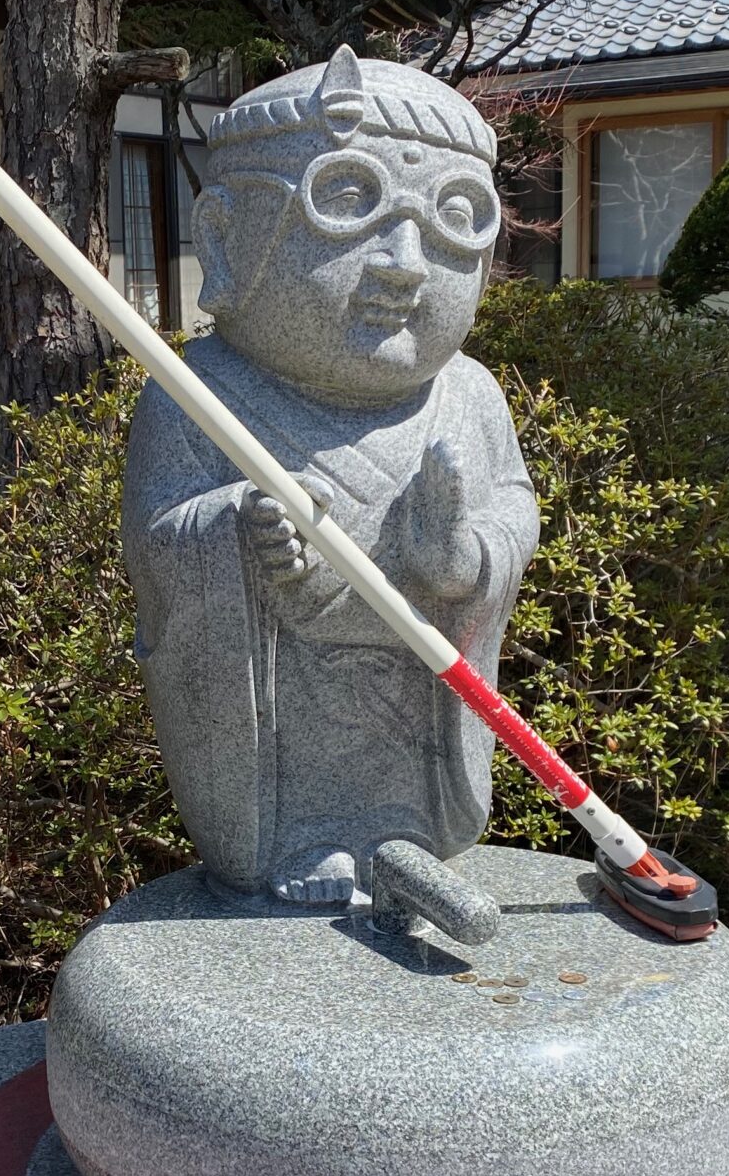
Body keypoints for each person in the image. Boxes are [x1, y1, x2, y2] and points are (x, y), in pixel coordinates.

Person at [124, 47, 539, 907]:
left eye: (448, 223)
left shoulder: (470, 394)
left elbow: (514, 508)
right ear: (227, 239)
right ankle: (302, 838)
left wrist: (467, 562)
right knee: (301, 772)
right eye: (351, 204)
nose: (405, 265)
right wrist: (242, 527)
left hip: (418, 688)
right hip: (276, 710)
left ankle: (406, 834)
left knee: (411, 795)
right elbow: (161, 545)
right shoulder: (197, 396)